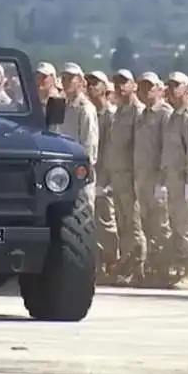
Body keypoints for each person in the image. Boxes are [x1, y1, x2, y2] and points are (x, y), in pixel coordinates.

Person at [160, 71, 188, 290]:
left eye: (176, 86)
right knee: (175, 225)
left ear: (187, 89)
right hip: (172, 179)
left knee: (187, 226)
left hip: (184, 180)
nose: (171, 90)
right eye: (169, 86)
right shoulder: (174, 116)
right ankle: (179, 267)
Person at [106, 69, 146, 285]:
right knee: (123, 222)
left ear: (134, 85)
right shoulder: (119, 112)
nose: (121, 86)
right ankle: (129, 265)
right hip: (117, 174)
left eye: (125, 82)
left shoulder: (137, 112)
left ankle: (138, 267)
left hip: (131, 174)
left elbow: (137, 148)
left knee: (134, 223)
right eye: (118, 82)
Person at [133, 71, 173, 286]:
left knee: (162, 226)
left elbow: (167, 148)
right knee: (147, 225)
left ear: (159, 89)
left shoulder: (165, 114)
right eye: (143, 87)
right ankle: (152, 269)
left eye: (150, 87)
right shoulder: (143, 114)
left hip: (157, 178)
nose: (146, 91)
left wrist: (163, 181)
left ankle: (165, 268)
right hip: (142, 177)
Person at [86, 70, 119, 282]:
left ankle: (112, 262)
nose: (90, 87)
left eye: (95, 84)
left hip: (107, 175)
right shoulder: (92, 113)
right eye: (88, 83)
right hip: (94, 176)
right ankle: (99, 264)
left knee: (107, 222)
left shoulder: (111, 115)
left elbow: (111, 149)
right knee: (94, 221)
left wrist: (106, 178)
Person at [57, 62, 98, 211]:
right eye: (64, 78)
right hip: (64, 168)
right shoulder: (63, 106)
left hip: (80, 169)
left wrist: (86, 167)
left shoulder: (85, 108)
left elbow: (90, 142)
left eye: (70, 78)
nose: (66, 81)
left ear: (80, 81)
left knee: (83, 209)